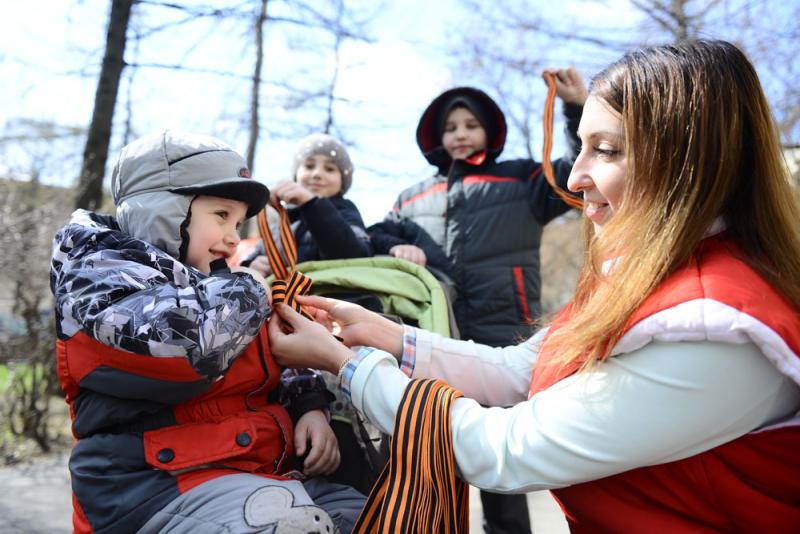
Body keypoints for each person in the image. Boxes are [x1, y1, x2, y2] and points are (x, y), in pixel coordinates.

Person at [269, 39, 800, 532]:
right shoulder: (645, 280)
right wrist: (388, 336)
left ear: (688, 162)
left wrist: (349, 365)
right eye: (583, 145)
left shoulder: (712, 324)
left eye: (607, 150)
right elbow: (520, 371)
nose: (575, 178)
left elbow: (504, 450)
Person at [50, 130, 365, 534]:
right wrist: (250, 284)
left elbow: (272, 355)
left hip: (255, 469)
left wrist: (309, 406)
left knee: (380, 513)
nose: (234, 237)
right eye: (221, 216)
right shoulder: (99, 271)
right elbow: (189, 342)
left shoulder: (216, 287)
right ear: (164, 208)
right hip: (152, 487)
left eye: (238, 222)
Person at [367, 71, 586, 532]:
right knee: (426, 445)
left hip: (501, 336)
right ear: (437, 136)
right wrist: (393, 246)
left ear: (488, 129)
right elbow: (377, 233)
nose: (460, 134)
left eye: (470, 124)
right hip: (435, 334)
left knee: (499, 458)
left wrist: (573, 108)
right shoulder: (414, 197)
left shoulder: (523, 179)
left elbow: (575, 176)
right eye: (451, 127)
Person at [242, 132, 370, 276]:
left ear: (342, 184)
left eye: (329, 169)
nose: (317, 174)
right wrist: (251, 267)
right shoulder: (281, 221)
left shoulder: (346, 212)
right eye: (309, 166)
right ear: (296, 176)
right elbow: (253, 257)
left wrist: (312, 204)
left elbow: (356, 255)